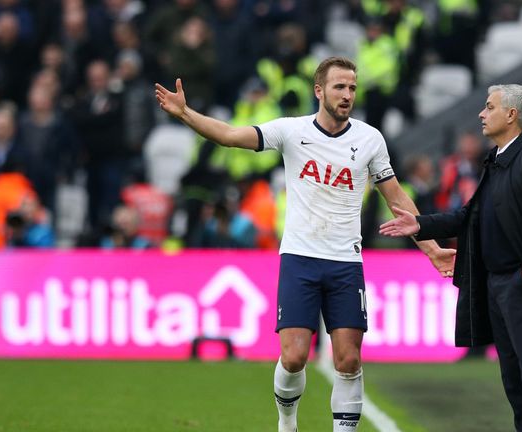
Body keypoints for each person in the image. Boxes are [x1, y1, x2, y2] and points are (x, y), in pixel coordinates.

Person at [155, 56, 455, 432]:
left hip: (346, 262)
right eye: (339, 87)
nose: (347, 95)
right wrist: (186, 114)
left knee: (348, 360)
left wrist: (431, 249)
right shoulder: (291, 131)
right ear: (319, 90)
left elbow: (397, 199)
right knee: (294, 357)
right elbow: (230, 136)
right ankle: (287, 422)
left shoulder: (369, 139)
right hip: (300, 259)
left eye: (352, 88)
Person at [380, 84, 522, 432]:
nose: (481, 114)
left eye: (489, 107)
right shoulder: (496, 162)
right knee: (513, 376)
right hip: (496, 283)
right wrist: (421, 224)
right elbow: (469, 215)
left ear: (511, 115)